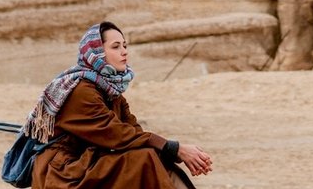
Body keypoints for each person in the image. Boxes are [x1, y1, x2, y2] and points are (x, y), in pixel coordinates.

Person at [26, 21, 214, 188]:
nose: (124, 51)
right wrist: (175, 149)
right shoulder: (81, 91)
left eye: (124, 45)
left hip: (87, 162)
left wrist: (172, 151)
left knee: (150, 155)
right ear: (97, 53)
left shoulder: (111, 92)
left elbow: (134, 131)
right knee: (144, 160)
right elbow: (117, 134)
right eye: (115, 47)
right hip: (62, 171)